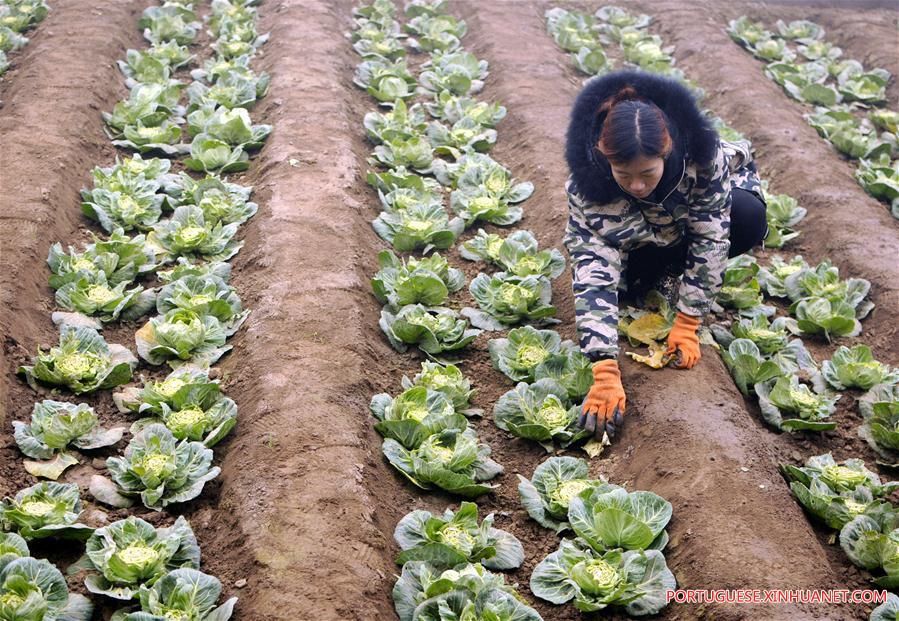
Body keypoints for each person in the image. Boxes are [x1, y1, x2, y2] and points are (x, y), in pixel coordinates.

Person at [563, 69, 768, 439]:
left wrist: (689, 322)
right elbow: (592, 265)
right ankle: (650, 273)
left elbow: (710, 236)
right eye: (624, 174)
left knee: (748, 217)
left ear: (667, 149)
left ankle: (671, 272)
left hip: (687, 223)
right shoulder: (586, 187)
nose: (637, 185)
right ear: (604, 157)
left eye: (647, 172)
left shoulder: (704, 159)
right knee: (622, 288)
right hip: (641, 233)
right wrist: (604, 367)